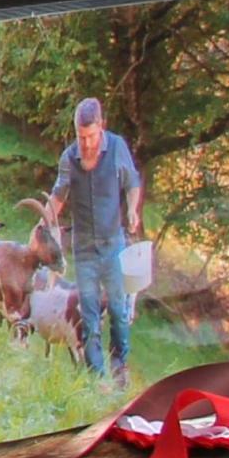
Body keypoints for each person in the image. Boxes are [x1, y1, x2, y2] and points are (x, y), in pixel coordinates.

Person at [42, 96, 148, 383]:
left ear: (101, 126)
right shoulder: (69, 158)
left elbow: (132, 183)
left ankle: (119, 365)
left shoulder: (116, 147)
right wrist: (43, 223)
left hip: (113, 245)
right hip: (85, 249)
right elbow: (59, 195)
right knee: (88, 314)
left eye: (90, 136)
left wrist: (132, 210)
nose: (86, 143)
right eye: (81, 137)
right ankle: (96, 377)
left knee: (118, 309)